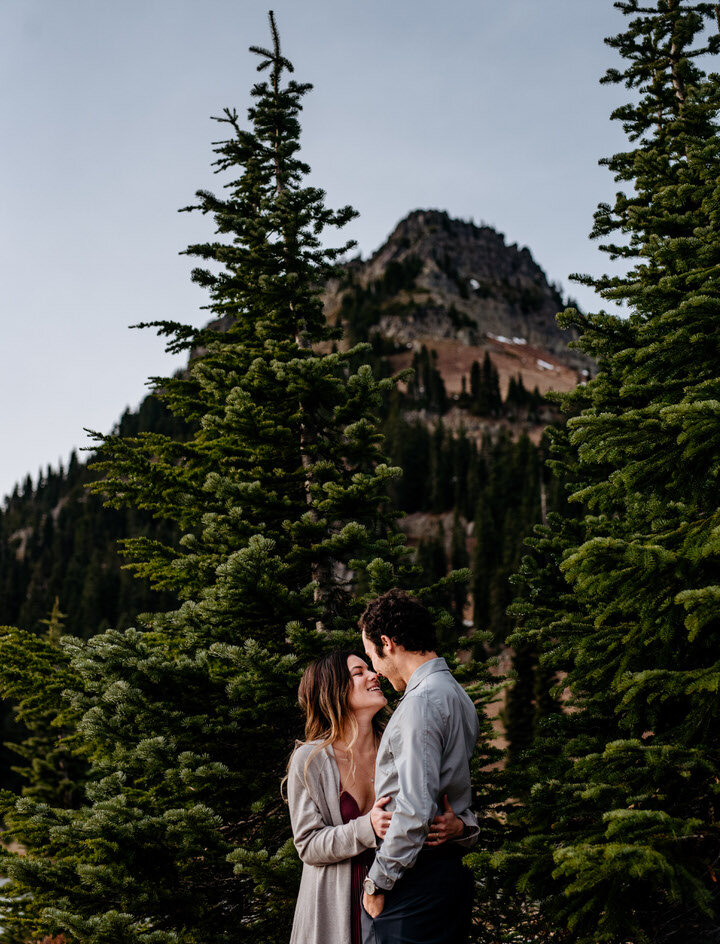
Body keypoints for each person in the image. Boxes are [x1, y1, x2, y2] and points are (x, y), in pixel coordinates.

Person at [286, 649, 466, 944]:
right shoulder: (310, 760)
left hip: (402, 900)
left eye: (370, 669)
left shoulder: (400, 746)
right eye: (359, 673)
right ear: (333, 691)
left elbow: (444, 800)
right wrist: (366, 828)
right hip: (336, 907)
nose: (374, 675)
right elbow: (308, 845)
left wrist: (460, 828)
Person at [359, 588, 479, 944]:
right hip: (445, 876)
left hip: (414, 881)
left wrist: (377, 881)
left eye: (372, 657)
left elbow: (413, 809)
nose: (376, 671)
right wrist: (465, 826)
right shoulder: (456, 693)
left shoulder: (421, 703)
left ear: (387, 642)